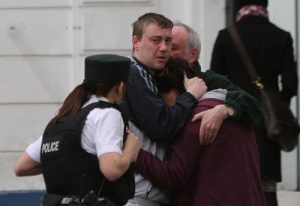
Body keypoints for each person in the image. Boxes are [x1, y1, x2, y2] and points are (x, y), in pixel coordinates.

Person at [124, 12, 263, 205]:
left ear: (192, 55)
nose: (165, 50)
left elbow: (254, 106)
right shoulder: (141, 76)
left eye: (172, 45)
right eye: (157, 41)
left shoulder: (206, 90)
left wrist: (224, 110)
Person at [135, 57, 266, 206]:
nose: (162, 107)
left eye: (161, 98)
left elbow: (173, 175)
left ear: (176, 93)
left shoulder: (196, 118)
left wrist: (134, 153)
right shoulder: (233, 108)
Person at [14, 54, 140, 206]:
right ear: (120, 86)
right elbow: (111, 170)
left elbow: (21, 167)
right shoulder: (106, 114)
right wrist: (130, 150)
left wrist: (70, 163)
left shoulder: (62, 119)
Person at [210, 0, 298, 206]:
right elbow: (291, 84)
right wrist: (275, 103)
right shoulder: (281, 37)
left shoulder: (226, 36)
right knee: (266, 184)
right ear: (264, 7)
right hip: (268, 123)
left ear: (240, 8)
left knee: (236, 179)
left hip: (235, 116)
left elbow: (214, 81)